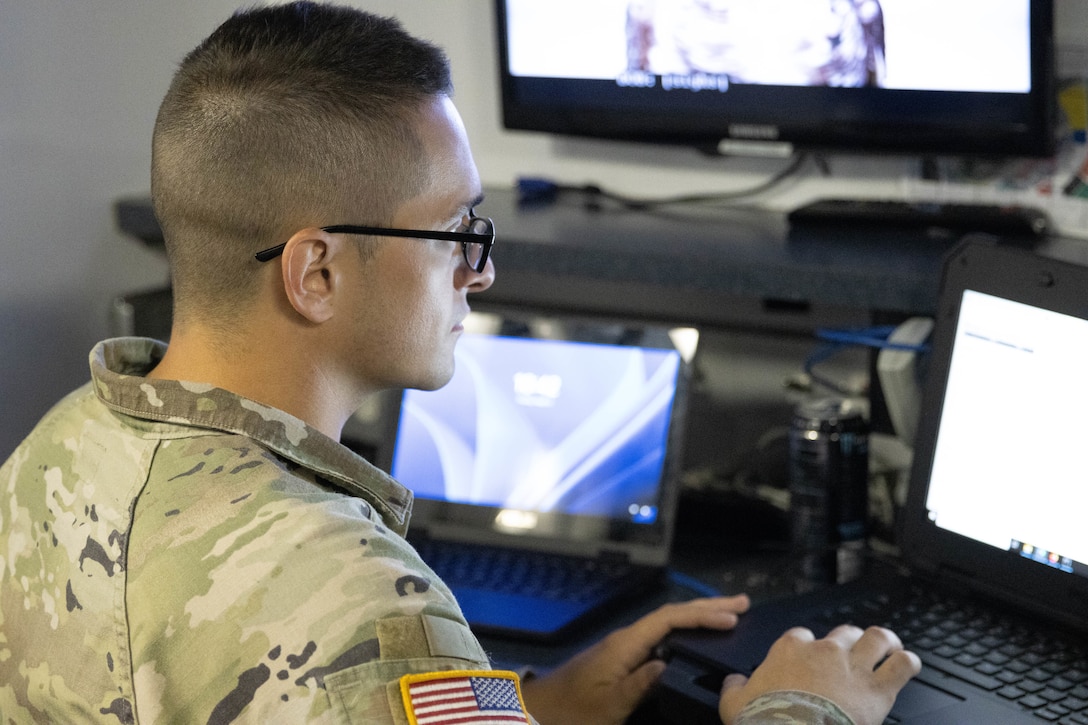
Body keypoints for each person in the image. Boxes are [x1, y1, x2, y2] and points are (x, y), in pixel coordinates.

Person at [0, 3, 919, 723]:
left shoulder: (57, 449)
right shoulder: (356, 601)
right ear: (315, 271)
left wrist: (516, 701)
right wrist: (804, 707)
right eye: (454, 230)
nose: (481, 270)